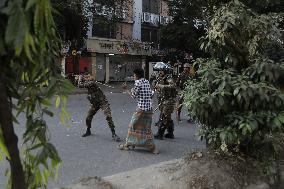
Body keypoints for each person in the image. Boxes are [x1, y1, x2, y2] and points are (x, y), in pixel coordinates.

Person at [119, 68, 159, 154]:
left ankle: (128, 144)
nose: (133, 77)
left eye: (134, 75)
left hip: (141, 109)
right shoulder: (146, 81)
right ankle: (152, 148)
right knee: (146, 128)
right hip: (149, 109)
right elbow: (151, 94)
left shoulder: (137, 83)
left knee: (132, 126)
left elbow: (133, 96)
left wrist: (126, 89)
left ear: (137, 75)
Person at [79, 75, 121, 141]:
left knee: (108, 116)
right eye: (86, 77)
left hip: (103, 102)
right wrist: (80, 78)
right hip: (95, 104)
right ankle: (88, 130)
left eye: (88, 77)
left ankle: (114, 134)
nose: (87, 78)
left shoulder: (92, 83)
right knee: (88, 117)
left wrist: (80, 78)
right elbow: (80, 85)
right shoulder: (89, 84)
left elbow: (81, 85)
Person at [153, 62, 177, 140]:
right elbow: (156, 85)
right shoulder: (160, 77)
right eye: (159, 71)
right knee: (168, 117)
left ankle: (160, 134)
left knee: (163, 117)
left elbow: (173, 86)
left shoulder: (168, 77)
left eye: (161, 70)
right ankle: (170, 133)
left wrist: (162, 86)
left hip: (169, 100)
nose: (159, 72)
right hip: (163, 99)